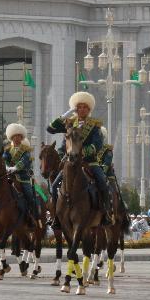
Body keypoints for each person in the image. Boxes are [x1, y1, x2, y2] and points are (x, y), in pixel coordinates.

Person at [46, 91, 113, 224]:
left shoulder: (94, 125)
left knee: (102, 182)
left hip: (89, 162)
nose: (81, 109)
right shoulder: (70, 123)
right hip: (71, 161)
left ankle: (105, 213)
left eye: (84, 107)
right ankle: (56, 217)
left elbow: (97, 145)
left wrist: (81, 152)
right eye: (79, 107)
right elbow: (50, 129)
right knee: (54, 186)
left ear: (89, 109)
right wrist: (66, 113)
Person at [3, 123, 37, 226]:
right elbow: (4, 159)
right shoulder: (7, 149)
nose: (17, 138)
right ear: (11, 137)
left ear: (22, 137)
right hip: (9, 176)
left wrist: (15, 168)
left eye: (19, 136)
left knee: (30, 195)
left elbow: (24, 161)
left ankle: (32, 216)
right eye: (15, 136)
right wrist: (7, 167)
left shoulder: (26, 150)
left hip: (23, 178)